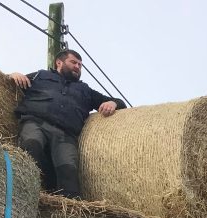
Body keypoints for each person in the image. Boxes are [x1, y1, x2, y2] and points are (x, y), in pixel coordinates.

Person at [8, 49, 125, 198]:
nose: (78, 67)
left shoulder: (85, 90)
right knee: (31, 147)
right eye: (74, 62)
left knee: (68, 172)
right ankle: (25, 195)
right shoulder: (41, 75)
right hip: (36, 123)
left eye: (80, 65)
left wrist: (112, 102)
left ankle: (68, 215)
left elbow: (118, 102)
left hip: (66, 135)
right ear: (59, 63)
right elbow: (7, 81)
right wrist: (14, 74)